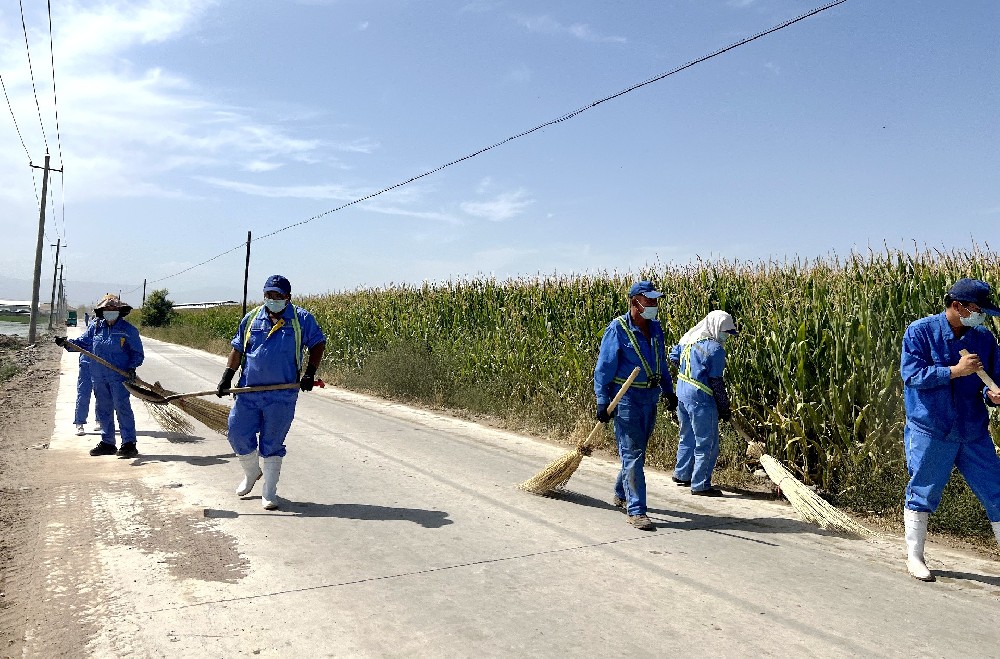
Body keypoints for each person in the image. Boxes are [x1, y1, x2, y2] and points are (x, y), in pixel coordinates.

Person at [900, 278, 1000, 582]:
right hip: (932, 428)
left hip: (972, 430)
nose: (981, 316)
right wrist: (955, 371)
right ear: (957, 306)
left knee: (997, 490)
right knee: (923, 491)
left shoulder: (984, 338)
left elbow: (992, 380)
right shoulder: (920, 332)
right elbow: (913, 375)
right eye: (978, 310)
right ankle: (915, 558)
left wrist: (992, 395)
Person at [216, 275, 326, 510]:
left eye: (278, 296)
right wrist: (227, 376)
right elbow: (237, 348)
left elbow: (318, 343)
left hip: (281, 395)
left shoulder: (301, 319)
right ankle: (252, 471)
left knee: (272, 442)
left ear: (288, 297)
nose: (273, 300)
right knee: (236, 432)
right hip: (248, 391)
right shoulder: (252, 318)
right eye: (269, 295)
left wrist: (309, 373)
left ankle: (269, 491)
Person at [594, 281, 677, 531]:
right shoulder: (617, 329)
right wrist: (602, 400)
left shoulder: (656, 329)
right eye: (648, 301)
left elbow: (661, 362)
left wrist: (668, 391)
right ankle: (637, 510)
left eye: (655, 301)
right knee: (632, 453)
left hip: (649, 397)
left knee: (638, 450)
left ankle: (621, 493)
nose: (653, 305)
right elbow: (604, 368)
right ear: (634, 302)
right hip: (627, 399)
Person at [56, 294, 144, 458]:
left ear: (119, 311)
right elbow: (82, 343)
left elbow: (137, 354)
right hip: (99, 376)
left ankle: (129, 443)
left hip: (120, 377)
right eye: (107, 309)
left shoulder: (128, 330)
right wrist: (66, 343)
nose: (110, 311)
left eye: (113, 309)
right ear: (102, 311)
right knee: (103, 409)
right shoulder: (96, 327)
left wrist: (132, 368)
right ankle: (107, 443)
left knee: (122, 408)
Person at [668, 311, 738, 497]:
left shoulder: (689, 339)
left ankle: (682, 474)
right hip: (701, 399)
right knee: (707, 442)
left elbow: (673, 357)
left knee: (687, 436)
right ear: (715, 328)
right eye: (725, 332)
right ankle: (700, 484)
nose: (726, 336)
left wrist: (690, 373)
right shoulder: (716, 350)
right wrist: (724, 407)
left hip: (682, 394)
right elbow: (716, 382)